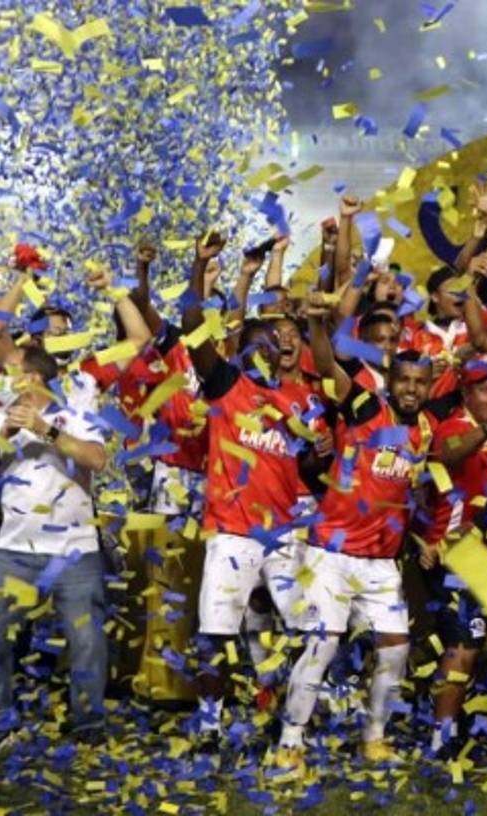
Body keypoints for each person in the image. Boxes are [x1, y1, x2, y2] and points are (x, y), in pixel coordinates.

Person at [271, 297, 429, 773]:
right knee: (321, 646)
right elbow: (325, 365)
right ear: (390, 382)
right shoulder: (366, 409)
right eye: (403, 380)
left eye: (420, 383)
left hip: (381, 563)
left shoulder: (423, 432)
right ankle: (289, 743)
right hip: (331, 553)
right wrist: (317, 324)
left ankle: (374, 738)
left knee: (396, 649)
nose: (411, 389)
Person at [182, 234, 314, 750]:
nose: (271, 349)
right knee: (216, 634)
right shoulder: (226, 386)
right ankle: (210, 727)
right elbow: (194, 330)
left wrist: (319, 448)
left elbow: (309, 465)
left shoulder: (298, 404)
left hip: (285, 535)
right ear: (242, 350)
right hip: (233, 535)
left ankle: (294, 720)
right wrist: (200, 263)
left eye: (276, 343)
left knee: (308, 632)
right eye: (258, 343)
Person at [0, 345, 109, 743]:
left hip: (74, 551)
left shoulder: (75, 413)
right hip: (13, 550)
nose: (1, 374)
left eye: (8, 369)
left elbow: (97, 459)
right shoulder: (1, 413)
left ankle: (89, 726)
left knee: (86, 642)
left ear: (33, 378)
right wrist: (6, 434)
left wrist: (46, 430)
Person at [418, 356, 487, 757]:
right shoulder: (455, 428)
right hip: (451, 552)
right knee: (463, 644)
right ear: (465, 394)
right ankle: (441, 739)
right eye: (484, 389)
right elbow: (447, 456)